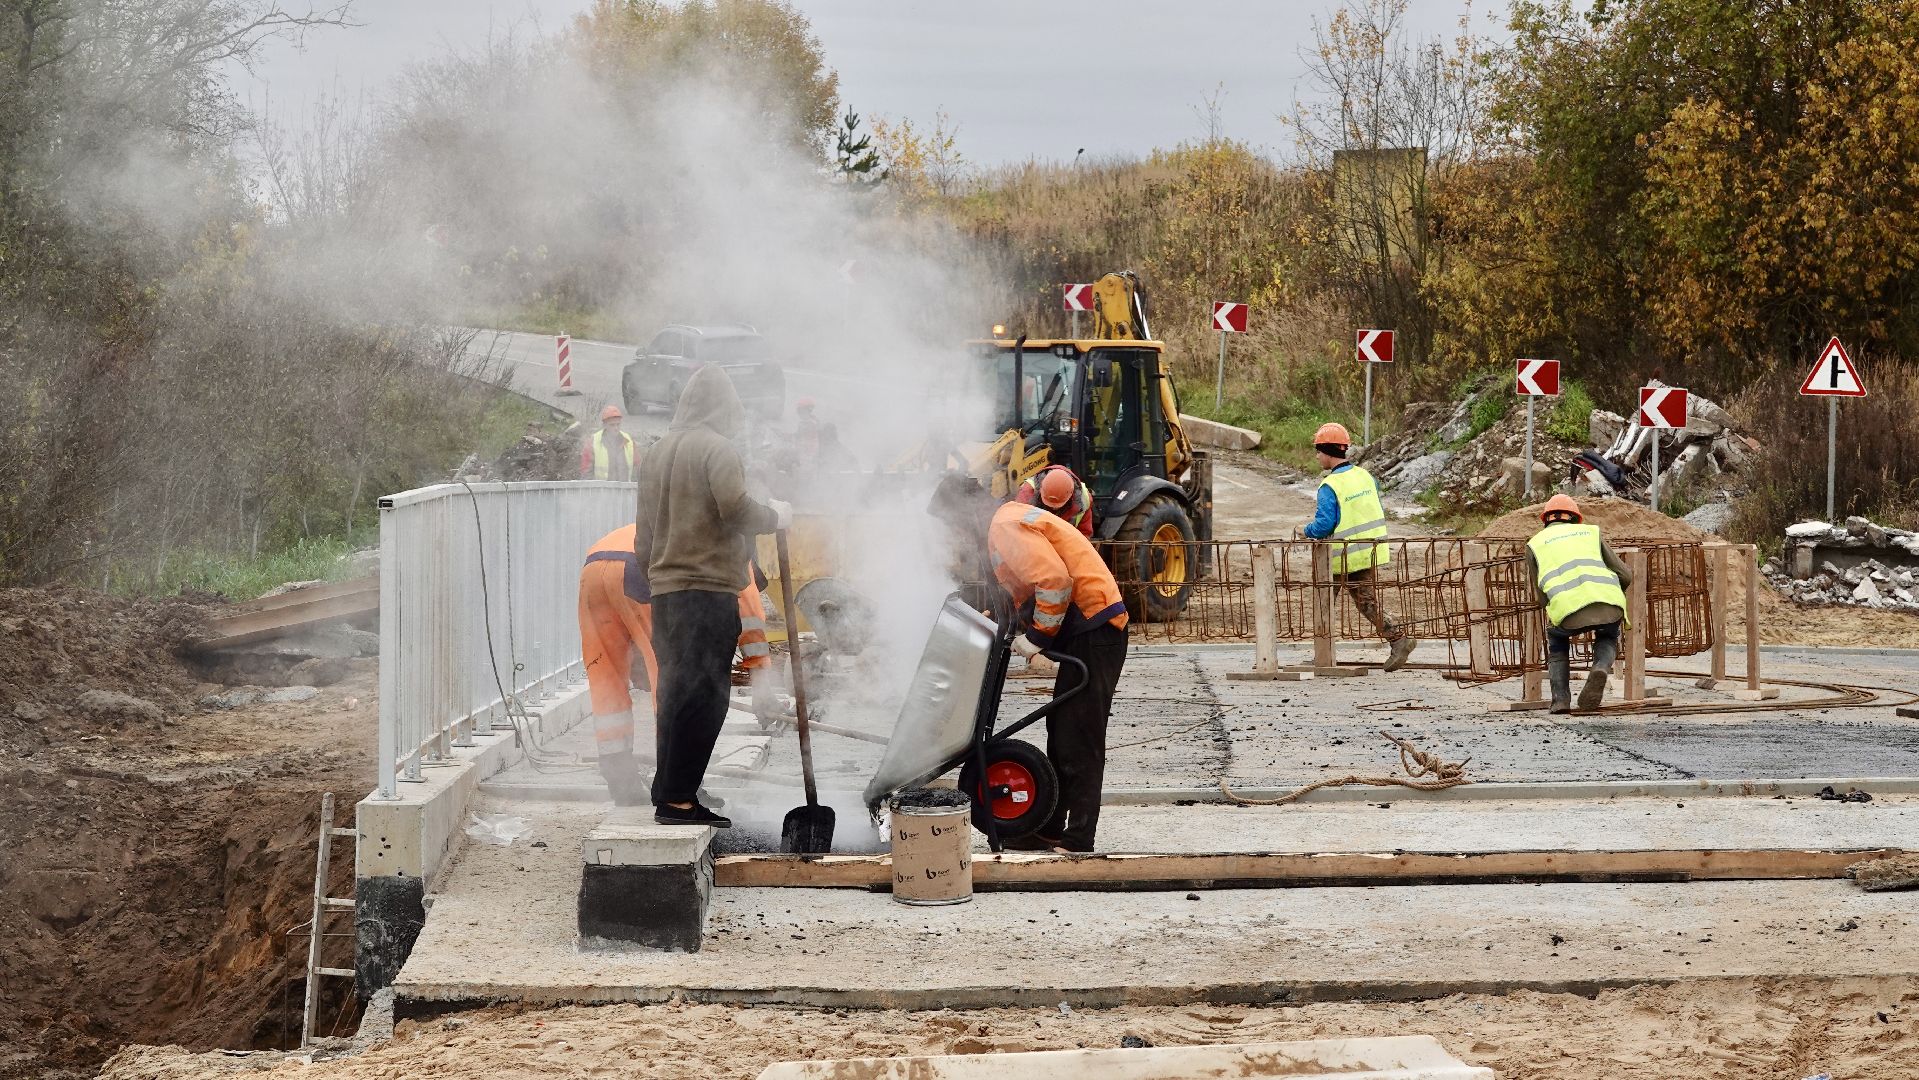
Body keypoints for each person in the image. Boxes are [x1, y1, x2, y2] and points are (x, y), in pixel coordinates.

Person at [930, 474, 1128, 853]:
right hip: (1088, 628)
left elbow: (1054, 582)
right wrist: (1001, 619)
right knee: (1062, 732)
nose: (956, 536)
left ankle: (1079, 839)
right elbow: (1026, 589)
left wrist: (1036, 638)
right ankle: (1051, 829)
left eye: (952, 525)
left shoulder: (1004, 526)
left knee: (1079, 737)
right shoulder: (1005, 524)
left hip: (1097, 627)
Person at [635, 364, 790, 827]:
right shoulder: (717, 448)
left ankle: (672, 788)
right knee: (705, 696)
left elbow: (643, 536)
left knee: (674, 692)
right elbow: (735, 507)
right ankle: (679, 801)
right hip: (706, 590)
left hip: (667, 593)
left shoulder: (657, 452)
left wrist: (657, 580)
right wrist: (776, 516)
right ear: (726, 406)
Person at [577, 524, 780, 806]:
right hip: (645, 568)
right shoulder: (736, 554)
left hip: (595, 566)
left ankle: (620, 780)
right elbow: (750, 623)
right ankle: (680, 788)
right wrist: (762, 687)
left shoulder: (695, 530)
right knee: (674, 684)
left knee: (606, 677)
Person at [1301, 422, 1418, 671]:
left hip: (1339, 557)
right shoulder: (1365, 476)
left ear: (1326, 451)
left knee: (1323, 602)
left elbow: (1323, 525)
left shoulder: (1330, 486)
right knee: (1367, 602)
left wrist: (1305, 531)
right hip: (1367, 551)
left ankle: (1322, 656)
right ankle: (1398, 639)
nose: (1317, 456)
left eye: (1318, 451)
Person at [1527, 494, 1633, 713]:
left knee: (1557, 643)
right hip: (1609, 604)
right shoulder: (1591, 532)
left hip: (1568, 612)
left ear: (1546, 519)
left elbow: (1541, 598)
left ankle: (1560, 701)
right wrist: (1613, 591)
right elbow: (1626, 575)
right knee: (1608, 636)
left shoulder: (1534, 544)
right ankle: (1600, 667)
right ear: (1575, 518)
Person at [1012, 464, 1095, 538]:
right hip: (1033, 541)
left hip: (1064, 543)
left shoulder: (1083, 499)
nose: (1054, 508)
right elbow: (1015, 527)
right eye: (1050, 504)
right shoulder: (1027, 493)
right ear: (1040, 490)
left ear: (1071, 494)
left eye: (1058, 505)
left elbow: (1084, 534)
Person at [580, 405, 640, 481]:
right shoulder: (593, 442)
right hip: (601, 488)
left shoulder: (629, 441)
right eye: (612, 425)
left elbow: (639, 468)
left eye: (618, 424)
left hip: (624, 488)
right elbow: (586, 473)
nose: (616, 428)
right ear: (604, 425)